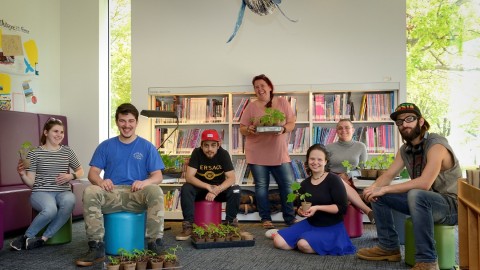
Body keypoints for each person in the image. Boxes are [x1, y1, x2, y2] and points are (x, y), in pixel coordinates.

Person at [357, 103, 461, 270]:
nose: (404, 124)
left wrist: (384, 188)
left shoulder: (436, 145)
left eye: (409, 119)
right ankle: (388, 247)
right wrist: (373, 190)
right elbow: (388, 176)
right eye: (399, 122)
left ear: (420, 121)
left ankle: (427, 261)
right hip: (423, 204)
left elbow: (424, 183)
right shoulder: (405, 150)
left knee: (416, 193)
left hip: (451, 207)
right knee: (380, 196)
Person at [75, 103, 165, 267]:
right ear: (117, 122)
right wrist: (101, 181)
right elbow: (92, 173)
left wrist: (145, 182)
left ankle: (155, 244)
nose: (127, 125)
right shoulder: (106, 146)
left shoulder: (147, 147)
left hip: (136, 195)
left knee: (155, 190)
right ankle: (96, 247)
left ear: (136, 122)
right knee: (90, 191)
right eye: (122, 121)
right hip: (112, 194)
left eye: (131, 121)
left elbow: (158, 176)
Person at [10, 118, 84, 251]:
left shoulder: (67, 151)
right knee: (50, 210)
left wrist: (71, 176)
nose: (59, 135)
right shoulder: (35, 153)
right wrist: (22, 175)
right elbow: (31, 183)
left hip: (63, 191)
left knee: (70, 201)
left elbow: (80, 171)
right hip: (41, 192)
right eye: (55, 131)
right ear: (46, 132)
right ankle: (26, 236)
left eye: (62, 132)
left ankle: (43, 239)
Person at [272, 144, 356, 255]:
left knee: (303, 244)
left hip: (331, 227)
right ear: (308, 160)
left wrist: (317, 208)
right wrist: (300, 211)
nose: (315, 162)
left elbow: (342, 208)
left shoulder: (334, 179)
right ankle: (308, 241)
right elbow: (300, 208)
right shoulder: (304, 184)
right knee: (278, 241)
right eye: (312, 159)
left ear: (325, 162)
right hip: (311, 224)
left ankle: (322, 243)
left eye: (319, 159)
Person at [239, 74, 296, 229]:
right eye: (256, 87)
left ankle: (289, 218)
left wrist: (283, 129)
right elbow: (242, 128)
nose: (260, 89)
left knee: (287, 185)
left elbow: (291, 123)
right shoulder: (251, 106)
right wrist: (249, 129)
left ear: (270, 87)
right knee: (261, 187)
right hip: (257, 153)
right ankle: (265, 219)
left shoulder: (282, 102)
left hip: (279, 152)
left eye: (262, 85)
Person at [176, 129, 241, 240]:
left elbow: (231, 178)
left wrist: (217, 190)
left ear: (218, 145)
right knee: (186, 187)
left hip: (218, 191)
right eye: (206, 145)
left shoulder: (223, 154)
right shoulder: (196, 153)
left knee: (236, 189)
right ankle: (188, 226)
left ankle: (231, 225)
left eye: (213, 145)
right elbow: (189, 177)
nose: (209, 149)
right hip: (201, 189)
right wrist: (208, 186)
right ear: (201, 146)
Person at [326, 118, 375, 224]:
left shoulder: (360, 146)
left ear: (353, 130)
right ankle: (367, 210)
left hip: (353, 180)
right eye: (340, 128)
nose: (343, 130)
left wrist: (348, 175)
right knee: (338, 182)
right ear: (336, 131)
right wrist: (337, 178)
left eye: (347, 127)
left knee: (341, 186)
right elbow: (324, 170)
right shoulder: (328, 148)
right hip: (332, 179)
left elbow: (363, 170)